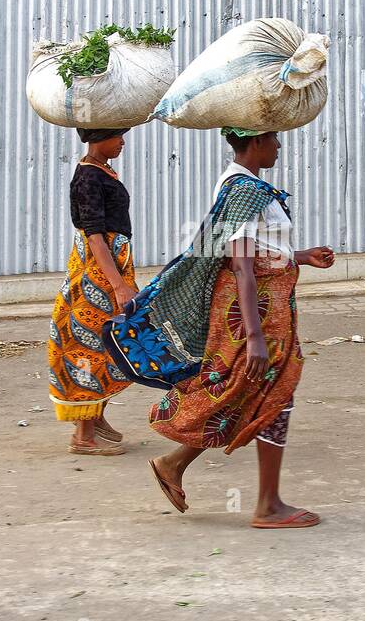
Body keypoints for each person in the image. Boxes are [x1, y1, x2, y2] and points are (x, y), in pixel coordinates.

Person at [107, 127, 334, 528]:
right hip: (256, 316)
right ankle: (267, 505)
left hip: (265, 312)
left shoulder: (239, 186)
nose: (279, 147)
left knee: (246, 393)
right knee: (268, 395)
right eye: (274, 139)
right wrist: (254, 336)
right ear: (256, 143)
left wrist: (301, 256)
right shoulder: (244, 191)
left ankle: (174, 464)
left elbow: (257, 251)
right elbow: (242, 265)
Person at [47, 128, 139, 455]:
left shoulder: (99, 170)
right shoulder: (88, 177)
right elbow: (95, 236)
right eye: (119, 137)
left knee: (109, 341)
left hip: (109, 266)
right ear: (100, 138)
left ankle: (95, 415)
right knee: (89, 343)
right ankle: (83, 436)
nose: (123, 142)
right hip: (98, 273)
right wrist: (118, 284)